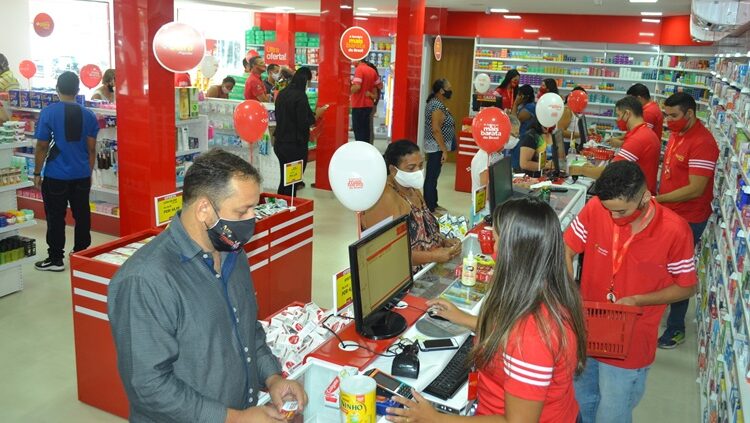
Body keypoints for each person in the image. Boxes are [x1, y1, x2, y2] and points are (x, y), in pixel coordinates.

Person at [108, 149, 308, 422]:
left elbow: (248, 331)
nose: (252, 221)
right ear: (204, 209)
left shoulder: (233, 253)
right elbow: (148, 386)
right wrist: (234, 418)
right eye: (242, 211)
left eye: (254, 209)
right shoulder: (146, 280)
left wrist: (272, 378)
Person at [387, 196, 587, 423]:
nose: (493, 254)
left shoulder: (531, 337)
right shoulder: (547, 290)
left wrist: (436, 418)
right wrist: (464, 319)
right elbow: (508, 327)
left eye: (496, 242)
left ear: (515, 252)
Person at [564, 161, 697, 423]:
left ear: (645, 197)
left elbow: (687, 286)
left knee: (612, 414)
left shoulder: (675, 230)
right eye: (609, 210)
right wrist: (568, 291)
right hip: (586, 328)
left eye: (621, 211)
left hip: (631, 340)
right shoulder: (595, 209)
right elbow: (566, 249)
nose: (614, 218)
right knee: (582, 402)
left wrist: (639, 300)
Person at [656, 92, 718, 349]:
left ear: (690, 114)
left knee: (679, 272)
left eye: (674, 116)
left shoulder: (703, 142)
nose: (669, 121)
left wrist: (658, 199)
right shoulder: (676, 133)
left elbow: (696, 188)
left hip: (689, 218)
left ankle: (676, 328)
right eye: (666, 115)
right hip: (672, 213)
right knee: (665, 266)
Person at [33, 72, 99, 271]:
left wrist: (37, 173)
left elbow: (42, 146)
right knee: (82, 215)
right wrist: (87, 172)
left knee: (55, 216)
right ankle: (82, 256)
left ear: (57, 89)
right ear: (78, 91)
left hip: (56, 175)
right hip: (81, 174)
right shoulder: (89, 115)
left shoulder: (49, 112)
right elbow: (92, 148)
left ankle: (55, 259)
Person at [362, 140, 461, 270]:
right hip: (407, 274)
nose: (418, 172)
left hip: (429, 267)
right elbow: (390, 253)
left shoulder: (412, 188)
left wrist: (443, 241)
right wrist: (432, 256)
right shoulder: (385, 198)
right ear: (393, 170)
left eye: (420, 165)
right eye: (411, 168)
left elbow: (425, 227)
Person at [569, 96, 660, 194]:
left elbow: (611, 172)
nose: (618, 119)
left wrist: (581, 170)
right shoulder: (645, 132)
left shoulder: (638, 139)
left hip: (636, 196)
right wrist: (592, 169)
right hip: (640, 190)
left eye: (618, 115)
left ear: (627, 114)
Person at [273, 67, 327, 196]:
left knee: (284, 179)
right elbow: (304, 121)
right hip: (295, 145)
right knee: (292, 182)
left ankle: (280, 208)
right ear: (305, 80)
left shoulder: (282, 93)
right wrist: (317, 115)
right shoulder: (300, 96)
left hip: (280, 142)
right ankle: (289, 210)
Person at [423, 78, 456, 214]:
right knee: (431, 177)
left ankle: (433, 203)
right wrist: (444, 150)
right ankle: (429, 208)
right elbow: (436, 129)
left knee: (434, 176)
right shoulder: (436, 105)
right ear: (442, 90)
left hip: (437, 146)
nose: (450, 90)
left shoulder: (439, 104)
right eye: (449, 88)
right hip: (436, 147)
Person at [351, 60, 383, 143]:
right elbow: (380, 85)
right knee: (366, 131)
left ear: (358, 59)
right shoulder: (372, 70)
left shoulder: (359, 69)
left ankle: (360, 151)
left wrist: (347, 90)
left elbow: (357, 87)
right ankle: (366, 149)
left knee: (358, 131)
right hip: (368, 105)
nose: (352, 62)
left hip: (358, 104)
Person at [510, 84, 536, 170]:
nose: (517, 97)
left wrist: (515, 104)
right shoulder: (525, 106)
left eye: (519, 94)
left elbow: (515, 121)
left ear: (524, 96)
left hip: (524, 139)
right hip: (520, 137)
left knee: (518, 163)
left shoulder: (530, 107)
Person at [558, 86, 590, 154]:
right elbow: (560, 132)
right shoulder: (567, 110)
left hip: (574, 145)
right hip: (566, 146)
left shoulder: (575, 110)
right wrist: (582, 134)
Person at [364, 60, 382, 143]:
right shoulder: (375, 78)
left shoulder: (374, 80)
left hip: (370, 105)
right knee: (368, 126)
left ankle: (369, 144)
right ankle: (369, 143)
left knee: (368, 127)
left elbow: (377, 94)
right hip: (370, 105)